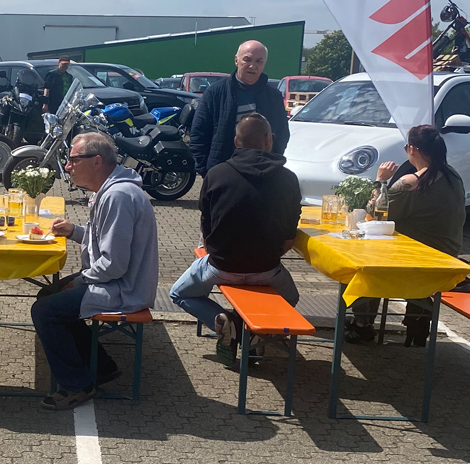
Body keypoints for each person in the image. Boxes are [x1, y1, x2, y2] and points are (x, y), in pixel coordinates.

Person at [32, 131, 159, 411]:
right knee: (48, 296)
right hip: (117, 281)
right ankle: (101, 366)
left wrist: (80, 280)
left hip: (124, 289)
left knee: (45, 311)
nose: (68, 166)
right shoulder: (111, 190)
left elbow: (114, 264)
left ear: (97, 161)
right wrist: (74, 231)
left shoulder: (118, 196)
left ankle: (77, 386)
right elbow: (105, 241)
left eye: (73, 159)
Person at [170, 113, 302, 362]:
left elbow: (206, 233)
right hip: (266, 269)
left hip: (221, 266)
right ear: (269, 140)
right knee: (291, 298)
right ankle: (253, 332)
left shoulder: (217, 174)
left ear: (236, 142)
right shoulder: (288, 179)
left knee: (179, 293)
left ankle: (227, 323)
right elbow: (289, 239)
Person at [347, 124, 470, 347]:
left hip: (417, 261)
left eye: (406, 147)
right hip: (447, 257)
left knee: (363, 264)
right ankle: (415, 316)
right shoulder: (453, 175)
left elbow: (376, 213)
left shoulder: (412, 183)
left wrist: (381, 181)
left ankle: (362, 324)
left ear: (412, 149)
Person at [188, 40, 289, 176]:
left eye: (259, 61)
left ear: (264, 63)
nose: (252, 66)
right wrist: (206, 171)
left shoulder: (273, 97)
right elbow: (198, 133)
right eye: (247, 59)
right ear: (236, 60)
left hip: (261, 173)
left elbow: (282, 134)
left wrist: (272, 164)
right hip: (221, 173)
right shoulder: (215, 93)